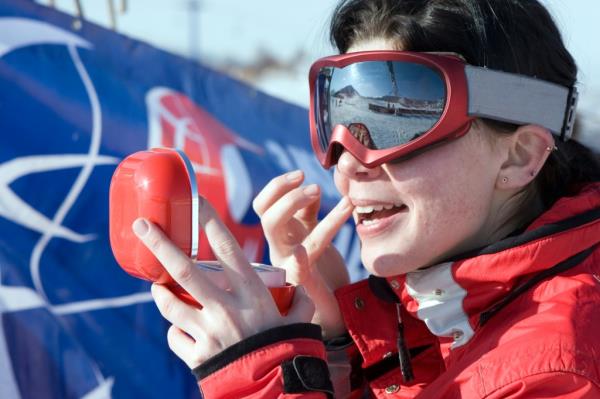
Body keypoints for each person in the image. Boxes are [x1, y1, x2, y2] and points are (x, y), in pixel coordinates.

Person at [131, 0, 600, 397]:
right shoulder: (441, 321)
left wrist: (265, 378)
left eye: (397, 120)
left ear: (520, 157)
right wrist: (340, 349)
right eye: (341, 115)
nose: (349, 162)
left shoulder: (555, 369)